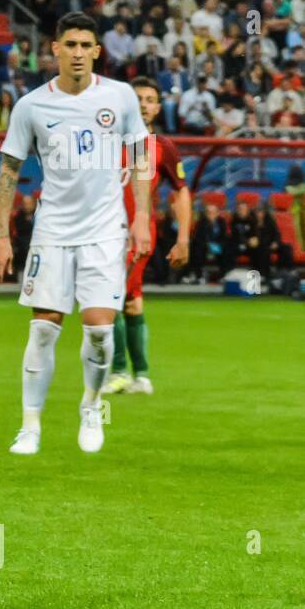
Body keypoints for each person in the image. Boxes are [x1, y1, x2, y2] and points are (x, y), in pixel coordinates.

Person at [0, 12, 153, 456]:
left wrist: (142, 219)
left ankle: (91, 405)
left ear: (98, 51)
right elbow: (8, 170)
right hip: (53, 231)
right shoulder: (31, 105)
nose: (78, 53)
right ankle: (30, 426)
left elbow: (142, 154)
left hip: (105, 231)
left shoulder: (119, 97)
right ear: (55, 50)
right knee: (44, 330)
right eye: (70, 45)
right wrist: (0, 235)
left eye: (86, 45)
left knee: (100, 332)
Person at [104, 77, 191, 396]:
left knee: (108, 295)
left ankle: (117, 372)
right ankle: (141, 376)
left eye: (150, 98)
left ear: (157, 106)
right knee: (131, 301)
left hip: (136, 236)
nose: (143, 103)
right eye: (137, 97)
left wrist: (183, 238)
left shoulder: (162, 147)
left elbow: (181, 192)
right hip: (102, 231)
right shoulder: (107, 140)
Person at [189, 199, 228, 283]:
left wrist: (218, 245)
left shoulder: (222, 222)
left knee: (227, 250)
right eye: (208, 212)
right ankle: (199, 276)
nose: (210, 214)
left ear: (217, 213)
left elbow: (224, 237)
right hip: (204, 246)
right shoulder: (201, 222)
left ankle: (223, 276)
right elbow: (198, 238)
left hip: (218, 246)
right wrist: (208, 245)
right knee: (197, 250)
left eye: (212, 212)